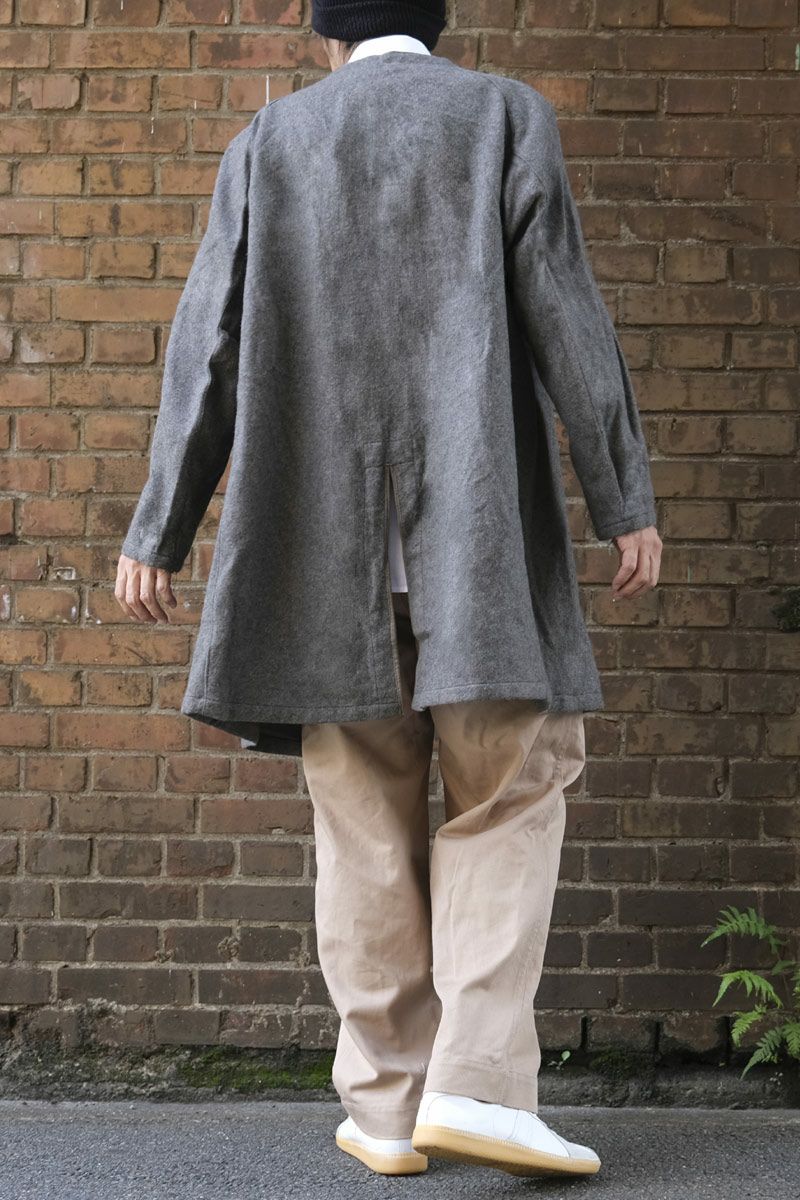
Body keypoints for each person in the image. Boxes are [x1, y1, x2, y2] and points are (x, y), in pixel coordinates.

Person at [116, 0, 662, 1179]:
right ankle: (478, 1089)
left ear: (326, 35)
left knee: (359, 821)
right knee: (510, 792)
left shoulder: (270, 143)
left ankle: (384, 1106)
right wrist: (622, 497)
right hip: (477, 545)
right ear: (434, 20)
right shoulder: (502, 118)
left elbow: (207, 344)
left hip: (322, 558)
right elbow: (566, 313)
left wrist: (159, 528)